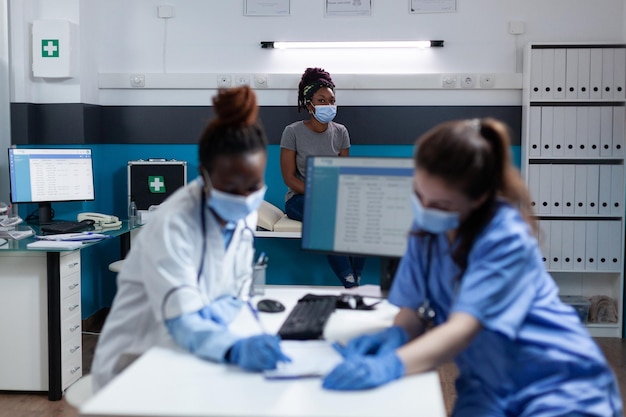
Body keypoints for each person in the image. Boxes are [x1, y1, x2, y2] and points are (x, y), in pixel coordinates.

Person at [322, 118, 622, 416]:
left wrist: (392, 364)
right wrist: (396, 336)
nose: (425, 210)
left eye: (441, 205)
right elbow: (411, 314)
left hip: (558, 384)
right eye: (418, 195)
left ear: (479, 199)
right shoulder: (425, 232)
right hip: (487, 382)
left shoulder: (505, 236)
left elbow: (463, 329)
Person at [91, 86, 290, 392]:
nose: (243, 198)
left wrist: (221, 312)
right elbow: (182, 322)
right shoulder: (172, 223)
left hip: (196, 352)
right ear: (205, 175)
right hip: (137, 365)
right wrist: (233, 348)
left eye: (253, 186)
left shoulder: (245, 212)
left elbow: (234, 290)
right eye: (230, 187)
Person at [279, 67, 365, 288]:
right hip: (300, 198)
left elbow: (344, 174)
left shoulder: (341, 132)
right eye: (322, 100)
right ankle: (351, 285)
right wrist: (320, 194)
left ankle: (356, 277)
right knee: (327, 219)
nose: (329, 105)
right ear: (309, 105)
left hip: (332, 197)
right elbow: (289, 178)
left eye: (332, 100)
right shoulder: (293, 132)